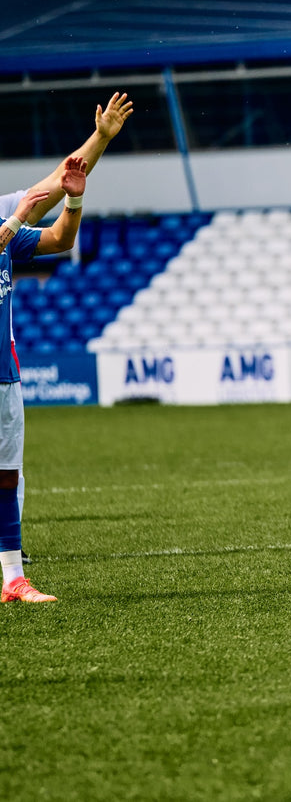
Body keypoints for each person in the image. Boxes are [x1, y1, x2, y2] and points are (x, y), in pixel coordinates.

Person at [6, 91, 133, 566]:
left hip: (4, 369)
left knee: (9, 472)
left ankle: (9, 559)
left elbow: (61, 184)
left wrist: (99, 140)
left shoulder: (4, 215)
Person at [1, 157, 90, 603]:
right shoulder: (5, 227)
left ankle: (13, 580)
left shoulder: (5, 231)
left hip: (4, 377)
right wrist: (16, 219)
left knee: (6, 478)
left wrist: (73, 198)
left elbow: (60, 238)